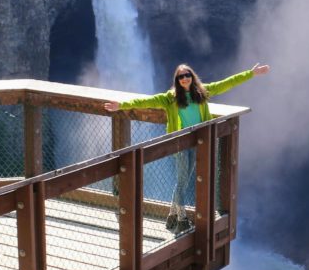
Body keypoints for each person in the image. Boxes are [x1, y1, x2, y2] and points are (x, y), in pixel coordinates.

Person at [104, 62, 269, 232]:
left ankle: (171, 215)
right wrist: (121, 105)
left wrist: (251, 73)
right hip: (180, 142)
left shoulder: (201, 92)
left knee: (183, 180)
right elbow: (145, 101)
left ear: (192, 76)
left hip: (198, 141)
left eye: (187, 75)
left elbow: (227, 83)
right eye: (180, 76)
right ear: (177, 80)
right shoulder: (170, 98)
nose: (184, 79)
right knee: (182, 180)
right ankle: (181, 218)